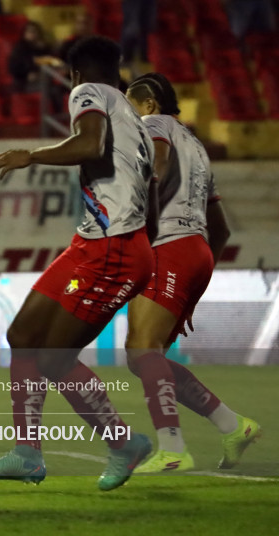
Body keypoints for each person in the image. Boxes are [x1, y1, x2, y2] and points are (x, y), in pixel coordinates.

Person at [0, 36, 158, 491]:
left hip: (112, 249)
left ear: (74, 75)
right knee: (23, 336)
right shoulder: (134, 118)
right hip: (97, 244)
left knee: (54, 357)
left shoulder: (86, 93)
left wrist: (30, 155)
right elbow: (148, 195)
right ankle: (27, 455)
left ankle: (123, 443)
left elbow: (90, 145)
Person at [124, 72, 261, 473]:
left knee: (142, 349)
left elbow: (156, 165)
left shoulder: (153, 125)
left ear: (148, 105)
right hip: (197, 250)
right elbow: (222, 228)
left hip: (169, 246)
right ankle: (234, 426)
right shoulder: (198, 147)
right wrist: (194, 284)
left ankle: (172, 451)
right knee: (146, 359)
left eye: (131, 108)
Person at [7, 21, 62, 93]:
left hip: (44, 78)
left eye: (34, 31)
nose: (32, 34)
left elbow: (53, 61)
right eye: (29, 31)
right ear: (24, 33)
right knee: (51, 89)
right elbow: (14, 68)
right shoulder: (19, 49)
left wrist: (43, 49)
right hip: (25, 83)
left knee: (57, 88)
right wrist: (26, 75)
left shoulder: (43, 48)